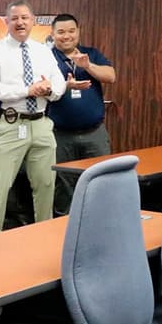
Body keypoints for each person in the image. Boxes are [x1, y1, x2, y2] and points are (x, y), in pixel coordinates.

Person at [0, 1, 65, 233]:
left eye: (25, 18)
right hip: (9, 125)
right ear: (6, 22)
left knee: (46, 185)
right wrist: (27, 91)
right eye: (15, 18)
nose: (20, 22)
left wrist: (49, 89)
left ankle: (43, 237)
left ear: (33, 21)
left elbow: (59, 83)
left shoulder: (43, 51)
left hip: (41, 125)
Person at [48, 13, 116, 215]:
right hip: (60, 135)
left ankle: (99, 222)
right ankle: (62, 230)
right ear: (52, 34)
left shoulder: (91, 53)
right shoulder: (46, 57)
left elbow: (111, 76)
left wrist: (88, 66)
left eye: (71, 31)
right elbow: (41, 87)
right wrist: (64, 86)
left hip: (94, 133)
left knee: (101, 180)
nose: (66, 36)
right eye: (61, 32)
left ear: (78, 32)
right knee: (63, 185)